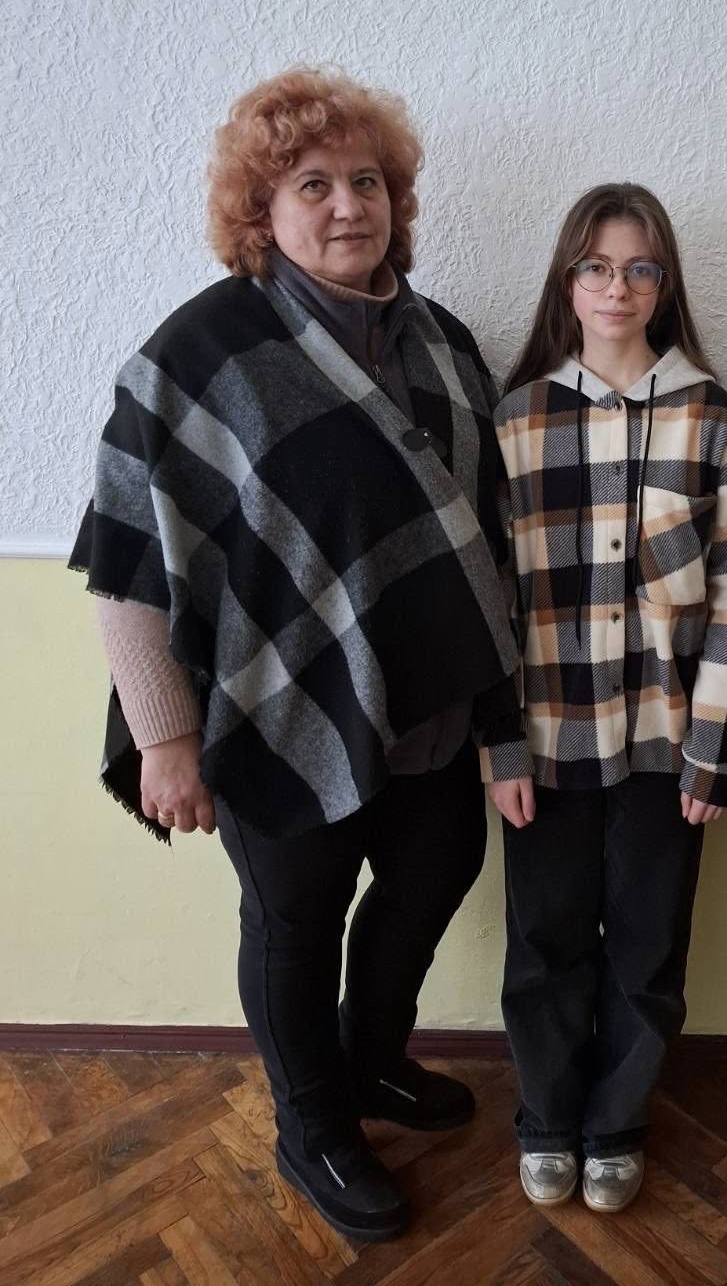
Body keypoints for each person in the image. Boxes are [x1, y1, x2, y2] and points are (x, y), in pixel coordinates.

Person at [71, 67, 528, 1246]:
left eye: (366, 181)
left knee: (435, 871)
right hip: (270, 709)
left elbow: (483, 538)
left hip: (425, 705)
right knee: (295, 922)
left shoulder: (443, 345)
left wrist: (499, 717)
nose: (347, 206)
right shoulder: (201, 354)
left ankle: (371, 1058)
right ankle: (311, 1121)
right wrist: (165, 738)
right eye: (312, 185)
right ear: (260, 211)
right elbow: (128, 562)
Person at [483, 183, 727, 1214]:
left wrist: (715, 751)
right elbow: (491, 602)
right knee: (543, 940)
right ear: (568, 281)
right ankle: (547, 1118)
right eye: (596, 266)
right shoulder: (516, 423)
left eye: (640, 268)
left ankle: (617, 1122)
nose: (617, 287)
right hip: (546, 741)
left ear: (664, 283)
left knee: (648, 945)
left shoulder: (713, 421)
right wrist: (500, 746)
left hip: (666, 745)